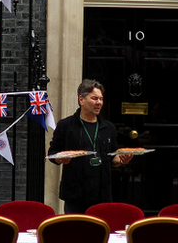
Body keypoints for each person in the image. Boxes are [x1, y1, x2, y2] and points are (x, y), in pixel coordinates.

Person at [48, 79, 133, 214]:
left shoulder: (108, 128)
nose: (99, 102)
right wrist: (60, 158)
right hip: (75, 195)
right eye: (94, 98)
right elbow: (53, 153)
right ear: (81, 100)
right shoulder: (66, 125)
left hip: (102, 195)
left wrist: (122, 160)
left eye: (101, 99)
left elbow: (113, 158)